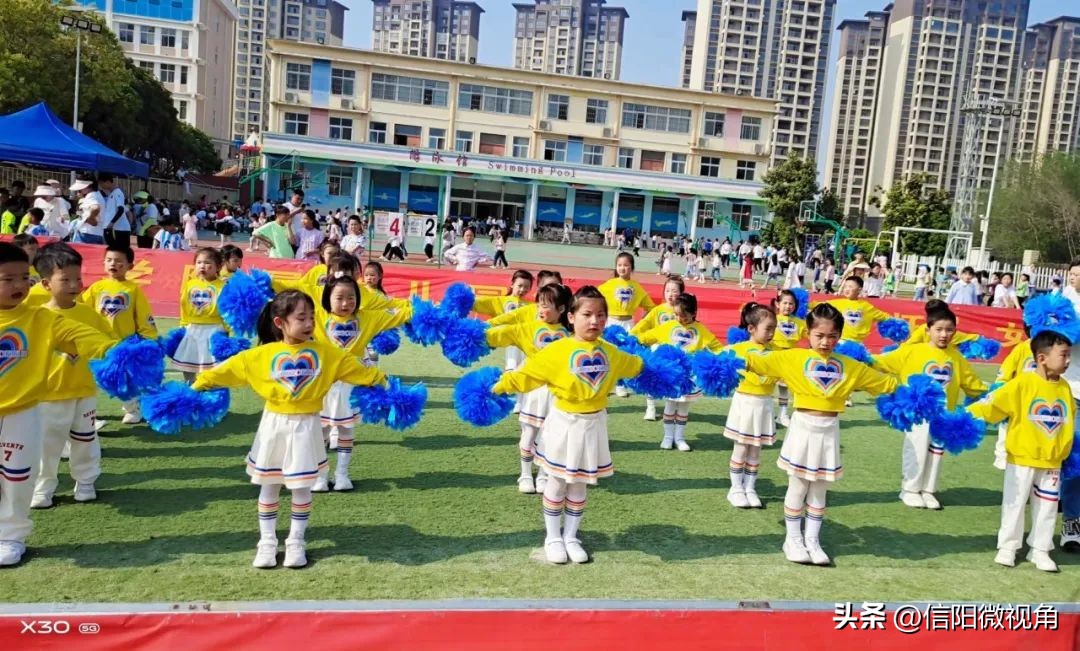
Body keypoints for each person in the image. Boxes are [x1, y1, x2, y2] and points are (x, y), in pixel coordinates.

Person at [190, 291, 390, 569]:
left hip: (308, 425)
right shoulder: (260, 355)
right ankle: (267, 542)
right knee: (269, 486)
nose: (309, 323)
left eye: (311, 317)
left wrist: (386, 385)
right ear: (280, 322)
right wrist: (195, 388)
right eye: (301, 318)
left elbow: (361, 372)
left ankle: (296, 542)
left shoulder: (328, 354)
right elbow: (225, 371)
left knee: (301, 488)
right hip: (273, 426)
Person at [487, 286, 645, 564]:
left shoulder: (611, 353)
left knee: (580, 485)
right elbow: (526, 375)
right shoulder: (557, 350)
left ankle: (571, 535)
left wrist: (668, 368)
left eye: (600, 315)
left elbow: (637, 366)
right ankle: (552, 537)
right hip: (564, 424)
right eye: (587, 314)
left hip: (594, 425)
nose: (594, 321)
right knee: (557, 483)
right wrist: (495, 388)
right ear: (571, 317)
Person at [739, 304, 899, 566]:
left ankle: (813, 539)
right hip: (803, 427)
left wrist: (916, 393)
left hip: (829, 431)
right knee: (799, 485)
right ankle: (793, 539)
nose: (826, 342)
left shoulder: (851, 367)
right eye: (819, 335)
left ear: (840, 336)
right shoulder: (791, 358)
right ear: (807, 333)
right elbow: (755, 361)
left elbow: (885, 383)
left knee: (820, 488)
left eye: (833, 336)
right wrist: (724, 360)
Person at [0, 242, 121, 567]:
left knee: (16, 476)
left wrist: (118, 354)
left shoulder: (42, 319)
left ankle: (11, 536)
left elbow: (86, 336)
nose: (18, 286)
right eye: (7, 279)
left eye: (22, 278)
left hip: (22, 411)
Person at [966, 330, 1075, 572]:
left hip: (1052, 461)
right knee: (1014, 502)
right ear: (1042, 358)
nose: (1068, 361)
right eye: (1064, 355)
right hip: (1022, 457)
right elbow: (992, 404)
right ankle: (1008, 546)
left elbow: (1068, 421)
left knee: (1047, 506)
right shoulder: (1022, 383)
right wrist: (963, 418)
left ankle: (1040, 548)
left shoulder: (1065, 388)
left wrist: (1065, 451)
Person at [874, 304, 987, 510]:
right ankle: (909, 489)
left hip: (944, 415)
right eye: (939, 329)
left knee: (937, 452)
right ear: (928, 330)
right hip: (917, 414)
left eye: (949, 330)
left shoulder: (956, 357)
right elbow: (880, 362)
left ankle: (928, 490)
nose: (944, 335)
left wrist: (993, 394)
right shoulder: (912, 351)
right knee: (916, 449)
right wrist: (858, 357)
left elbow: (972, 384)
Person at [30, 244, 113, 510]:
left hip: (84, 391)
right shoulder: (36, 318)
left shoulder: (89, 315)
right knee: (47, 445)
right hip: (48, 395)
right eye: (64, 279)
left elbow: (106, 346)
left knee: (85, 439)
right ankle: (43, 488)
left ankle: (86, 482)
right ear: (45, 283)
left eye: (78, 278)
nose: (74, 284)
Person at [313, 276, 414, 492]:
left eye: (351, 297)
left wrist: (422, 310)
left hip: (352, 386)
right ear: (327, 298)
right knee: (319, 432)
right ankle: (320, 477)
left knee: (346, 431)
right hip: (322, 385)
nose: (345, 303)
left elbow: (400, 315)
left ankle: (342, 475)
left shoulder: (367, 318)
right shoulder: (316, 316)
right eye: (339, 297)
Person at [485, 284, 572, 494]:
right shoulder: (529, 328)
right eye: (539, 304)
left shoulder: (570, 333)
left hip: (557, 392)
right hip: (534, 389)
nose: (541, 309)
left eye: (546, 305)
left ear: (561, 309)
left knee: (549, 435)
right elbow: (503, 333)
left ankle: (542, 474)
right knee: (529, 432)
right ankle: (525, 474)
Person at [80, 245, 159, 424]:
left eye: (118, 261)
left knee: (123, 380)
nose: (113, 264)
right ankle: (87, 415)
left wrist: (149, 338)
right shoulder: (96, 287)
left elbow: (143, 315)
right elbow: (83, 311)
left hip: (123, 345)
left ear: (130, 266)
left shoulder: (133, 289)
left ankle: (133, 409)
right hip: (98, 344)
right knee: (92, 380)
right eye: (109, 260)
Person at [638, 294, 723, 452]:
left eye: (683, 315)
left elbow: (717, 347)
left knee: (683, 409)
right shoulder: (668, 326)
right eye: (676, 314)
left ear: (693, 313)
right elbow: (647, 336)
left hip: (690, 377)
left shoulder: (701, 330)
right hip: (672, 374)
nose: (679, 318)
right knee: (670, 406)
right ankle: (667, 438)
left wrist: (725, 358)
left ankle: (680, 438)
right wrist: (632, 340)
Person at [722, 302, 778, 508]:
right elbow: (718, 359)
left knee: (756, 450)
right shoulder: (738, 349)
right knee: (741, 447)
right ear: (751, 329)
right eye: (768, 328)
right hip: (745, 402)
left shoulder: (777, 352)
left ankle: (750, 487)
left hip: (764, 404)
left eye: (774, 328)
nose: (772, 333)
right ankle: (735, 488)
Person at [598, 252, 656, 397]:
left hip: (629, 324)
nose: (622, 268)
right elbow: (594, 298)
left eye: (626, 265)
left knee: (625, 353)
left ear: (632, 268)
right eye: (619, 265)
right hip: (611, 323)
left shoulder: (636, 287)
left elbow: (651, 308)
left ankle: (621, 384)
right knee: (609, 353)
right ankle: (607, 384)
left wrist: (644, 322)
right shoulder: (609, 285)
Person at [632, 276, 685, 422]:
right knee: (651, 378)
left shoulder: (683, 312)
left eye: (674, 291)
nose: (670, 294)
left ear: (681, 293)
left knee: (673, 380)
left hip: (675, 352)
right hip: (657, 349)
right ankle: (651, 407)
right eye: (667, 290)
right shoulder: (657, 310)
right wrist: (632, 335)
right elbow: (644, 323)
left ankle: (672, 408)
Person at [170, 248, 227, 383]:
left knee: (211, 372)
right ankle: (190, 395)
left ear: (218, 266)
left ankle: (207, 398)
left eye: (207, 263)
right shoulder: (190, 284)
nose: (202, 266)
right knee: (188, 369)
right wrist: (183, 325)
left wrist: (228, 332)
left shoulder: (224, 286)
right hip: (192, 330)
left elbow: (228, 312)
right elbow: (184, 306)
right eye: (198, 262)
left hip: (214, 330)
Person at [1057, 258, 1080, 553]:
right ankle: (1071, 524)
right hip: (1072, 392)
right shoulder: (1064, 302)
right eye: (1075, 274)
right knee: (1075, 462)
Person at [771, 289, 807, 427]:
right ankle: (768, 414)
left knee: (784, 388)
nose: (788, 306)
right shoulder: (771, 318)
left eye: (791, 304)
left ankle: (783, 414)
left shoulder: (799, 322)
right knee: (768, 385)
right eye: (785, 303)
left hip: (790, 358)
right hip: (772, 356)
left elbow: (810, 334)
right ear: (777, 304)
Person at [825, 276, 892, 344]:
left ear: (859, 290)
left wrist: (899, 323)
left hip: (858, 346)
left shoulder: (866, 307)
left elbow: (886, 317)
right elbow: (817, 305)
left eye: (850, 287)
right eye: (845, 286)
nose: (847, 289)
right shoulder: (837, 303)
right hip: (840, 342)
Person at [96, 174, 131, 250]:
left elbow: (121, 209)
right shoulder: (111, 194)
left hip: (118, 229)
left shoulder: (118, 193)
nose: (101, 186)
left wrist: (112, 223)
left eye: (102, 183)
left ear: (108, 182)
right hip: (112, 228)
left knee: (119, 251)